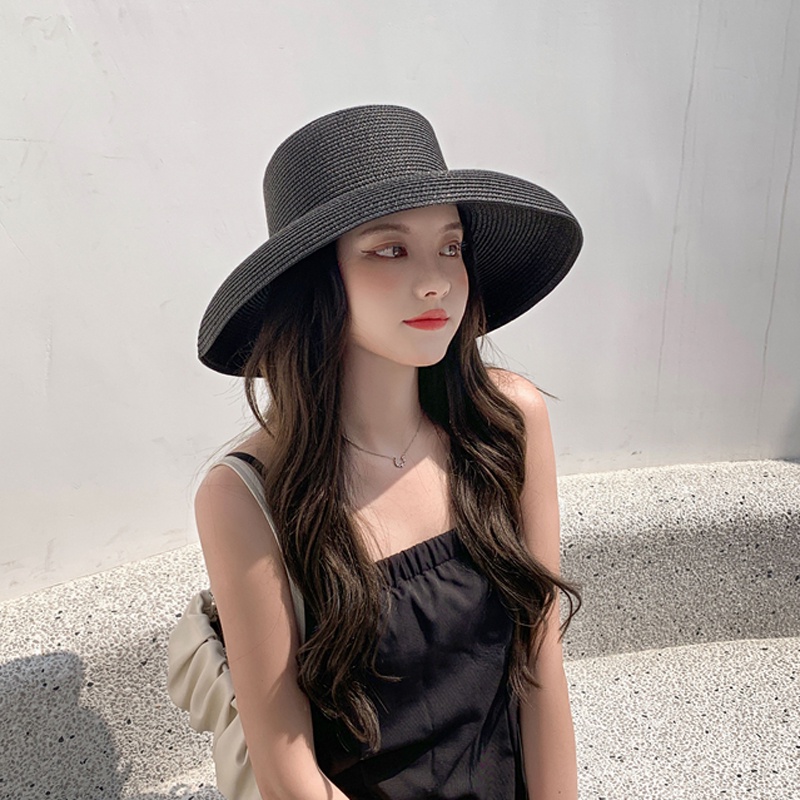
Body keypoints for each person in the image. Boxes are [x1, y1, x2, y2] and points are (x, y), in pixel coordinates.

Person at [194, 104, 583, 799]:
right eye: (389, 249)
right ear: (319, 278)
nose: (435, 280)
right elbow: (287, 770)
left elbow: (539, 665)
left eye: (451, 247)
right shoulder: (245, 496)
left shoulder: (506, 423)